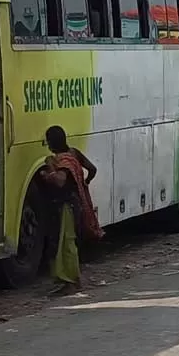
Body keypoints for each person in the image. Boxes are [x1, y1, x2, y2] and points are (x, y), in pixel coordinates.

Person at [41, 125, 103, 294]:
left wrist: (48, 174)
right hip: (76, 203)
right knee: (65, 241)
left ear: (52, 142)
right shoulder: (74, 153)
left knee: (66, 242)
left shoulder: (62, 161)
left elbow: (60, 180)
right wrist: (85, 183)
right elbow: (92, 169)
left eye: (48, 141)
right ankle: (66, 279)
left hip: (67, 205)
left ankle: (72, 281)